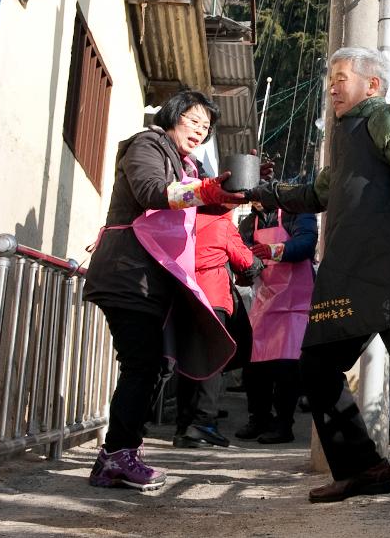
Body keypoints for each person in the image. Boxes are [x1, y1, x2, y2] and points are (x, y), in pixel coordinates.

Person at [248, 48, 390, 512]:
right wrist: (260, 192)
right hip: (352, 269)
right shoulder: (345, 137)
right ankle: (362, 468)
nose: (332, 85)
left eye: (341, 77)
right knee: (316, 364)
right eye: (330, 77)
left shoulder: (386, 116)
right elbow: (316, 192)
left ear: (371, 85)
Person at [84, 90, 246, 491]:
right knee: (141, 364)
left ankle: (120, 453)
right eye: (193, 120)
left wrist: (236, 193)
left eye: (205, 127)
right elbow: (151, 192)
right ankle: (117, 455)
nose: (199, 130)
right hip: (127, 274)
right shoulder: (147, 144)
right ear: (172, 115)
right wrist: (206, 191)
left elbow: (196, 204)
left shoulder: (184, 165)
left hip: (150, 280)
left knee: (151, 366)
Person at [172, 204, 262, 448]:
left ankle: (183, 426)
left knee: (188, 362)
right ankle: (203, 423)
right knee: (212, 361)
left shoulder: (183, 221)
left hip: (185, 296)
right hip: (212, 297)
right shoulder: (221, 225)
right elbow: (246, 261)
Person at [235, 198, 318, 444]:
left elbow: (305, 244)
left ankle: (284, 424)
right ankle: (258, 418)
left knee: (286, 366)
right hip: (266, 298)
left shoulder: (297, 210)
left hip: (295, 302)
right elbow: (242, 251)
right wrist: (245, 270)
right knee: (255, 363)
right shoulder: (251, 222)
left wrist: (273, 251)